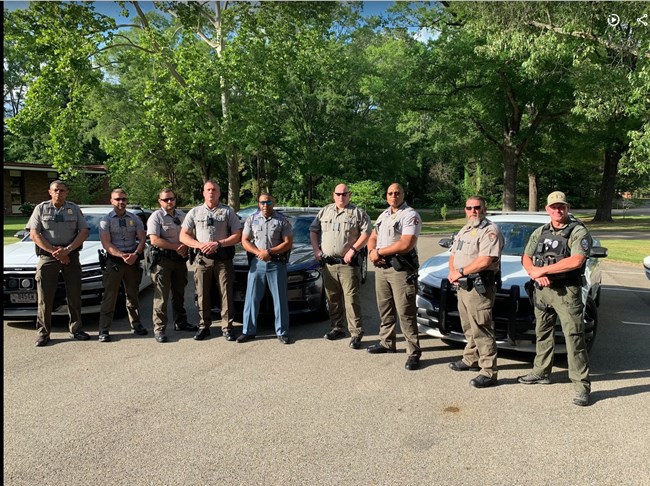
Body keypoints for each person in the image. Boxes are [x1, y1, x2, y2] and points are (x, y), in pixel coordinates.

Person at [519, 191, 593, 407]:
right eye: (554, 207)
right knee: (542, 333)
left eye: (561, 206)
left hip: (566, 292)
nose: (558, 210)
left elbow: (577, 260)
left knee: (574, 338)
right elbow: (526, 256)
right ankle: (541, 372)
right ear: (547, 209)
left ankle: (581, 386)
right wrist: (534, 271)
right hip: (542, 291)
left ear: (567, 208)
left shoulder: (578, 231)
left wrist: (545, 271)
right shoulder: (540, 231)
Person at [447, 196, 504, 388]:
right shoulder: (465, 230)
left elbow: (485, 261)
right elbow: (454, 254)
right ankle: (470, 358)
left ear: (484, 209)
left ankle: (489, 371)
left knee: (482, 327)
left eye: (477, 207)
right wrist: (452, 273)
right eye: (469, 208)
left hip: (479, 286)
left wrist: (460, 272)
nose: (473, 211)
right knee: (468, 326)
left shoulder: (490, 231)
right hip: (463, 285)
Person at [27, 180, 90, 347]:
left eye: (62, 190)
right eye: (56, 190)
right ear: (50, 192)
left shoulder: (74, 209)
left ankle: (76, 329)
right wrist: (55, 251)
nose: (59, 193)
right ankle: (43, 333)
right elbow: (34, 233)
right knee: (44, 297)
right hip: (48, 258)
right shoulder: (41, 208)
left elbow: (84, 232)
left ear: (67, 192)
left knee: (74, 295)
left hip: (71, 257)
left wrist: (67, 251)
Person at [367, 183, 422, 370]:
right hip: (382, 268)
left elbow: (406, 243)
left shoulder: (410, 215)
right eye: (390, 193)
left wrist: (379, 252)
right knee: (385, 307)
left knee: (405, 311)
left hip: (401, 269)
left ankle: (413, 352)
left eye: (397, 193)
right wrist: (372, 251)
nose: (393, 196)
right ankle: (387, 342)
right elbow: (372, 236)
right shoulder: (383, 215)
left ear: (403, 195)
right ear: (386, 196)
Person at [310, 183, 371, 349]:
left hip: (348, 265)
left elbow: (366, 233)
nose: (341, 197)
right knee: (333, 299)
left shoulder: (357, 213)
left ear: (349, 195)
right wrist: (316, 250)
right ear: (333, 195)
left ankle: (356, 333)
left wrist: (353, 249)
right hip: (328, 264)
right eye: (338, 194)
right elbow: (313, 230)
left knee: (351, 300)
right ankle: (337, 328)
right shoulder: (324, 211)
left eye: (344, 194)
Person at [180, 180, 242, 341]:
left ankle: (227, 327)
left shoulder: (228, 212)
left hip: (223, 259)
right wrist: (200, 245)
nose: (211, 192)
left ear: (219, 193)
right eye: (208, 189)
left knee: (226, 293)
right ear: (203, 192)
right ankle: (203, 326)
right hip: (202, 259)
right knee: (202, 293)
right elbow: (183, 235)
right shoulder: (194, 212)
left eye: (214, 190)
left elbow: (238, 235)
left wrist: (219, 243)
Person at [237, 193, 293, 344]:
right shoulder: (252, 219)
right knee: (251, 299)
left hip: (276, 263)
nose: (265, 205)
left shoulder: (282, 220)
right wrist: (259, 253)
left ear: (273, 203)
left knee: (280, 299)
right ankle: (248, 331)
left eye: (268, 202)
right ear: (258, 204)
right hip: (257, 263)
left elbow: (288, 242)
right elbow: (245, 240)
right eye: (262, 203)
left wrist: (270, 252)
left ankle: (282, 332)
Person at [146, 188, 197, 343]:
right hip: (163, 261)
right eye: (166, 199)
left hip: (180, 260)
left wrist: (185, 247)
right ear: (159, 201)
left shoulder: (182, 216)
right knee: (161, 296)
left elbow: (190, 235)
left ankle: (180, 322)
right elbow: (154, 240)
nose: (169, 202)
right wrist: (176, 247)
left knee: (179, 293)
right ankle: (159, 328)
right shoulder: (156, 217)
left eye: (172, 199)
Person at [98, 189, 148, 342]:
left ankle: (136, 324)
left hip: (132, 261)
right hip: (115, 262)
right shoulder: (105, 220)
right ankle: (104, 330)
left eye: (124, 199)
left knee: (133, 295)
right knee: (110, 296)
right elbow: (106, 243)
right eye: (118, 199)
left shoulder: (135, 218)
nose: (121, 202)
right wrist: (121, 255)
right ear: (111, 201)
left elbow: (142, 238)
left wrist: (135, 254)